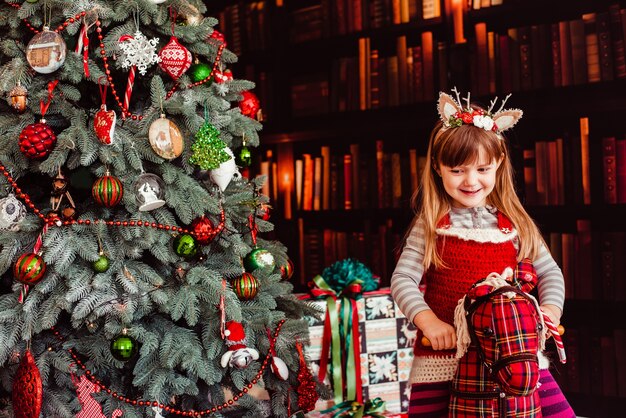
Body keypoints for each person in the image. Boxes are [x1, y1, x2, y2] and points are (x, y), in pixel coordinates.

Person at [390, 89, 574, 417]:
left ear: (499, 164)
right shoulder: (431, 224)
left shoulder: (515, 224)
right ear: (437, 167)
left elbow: (550, 272)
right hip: (444, 356)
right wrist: (429, 322)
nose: (471, 180)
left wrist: (549, 312)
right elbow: (403, 278)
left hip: (512, 354)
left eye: (482, 169)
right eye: (458, 170)